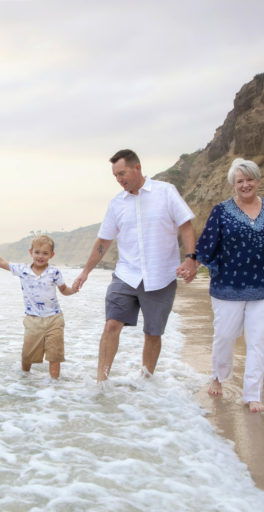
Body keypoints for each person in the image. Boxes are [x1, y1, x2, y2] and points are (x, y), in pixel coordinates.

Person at [73, 149, 198, 382]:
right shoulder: (116, 204)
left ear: (137, 168)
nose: (119, 179)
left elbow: (186, 226)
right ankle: (101, 381)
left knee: (153, 333)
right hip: (126, 275)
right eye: (115, 176)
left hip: (161, 276)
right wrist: (86, 271)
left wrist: (191, 258)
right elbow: (103, 241)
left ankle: (145, 381)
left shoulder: (166, 192)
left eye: (121, 173)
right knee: (111, 325)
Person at [195, 158, 264, 413]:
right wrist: (190, 266)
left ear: (258, 180)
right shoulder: (221, 211)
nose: (245, 185)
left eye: (249, 179)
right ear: (233, 185)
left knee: (259, 341)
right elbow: (204, 247)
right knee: (225, 336)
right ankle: (218, 376)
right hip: (228, 287)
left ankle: (252, 395)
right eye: (240, 181)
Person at [0, 235, 76, 379]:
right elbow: (1, 262)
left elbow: (64, 290)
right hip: (33, 319)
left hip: (54, 319)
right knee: (27, 355)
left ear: (51, 255)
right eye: (37, 252)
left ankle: (54, 388)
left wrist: (73, 289)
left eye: (45, 253)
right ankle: (24, 381)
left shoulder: (54, 272)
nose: (40, 256)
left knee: (55, 356)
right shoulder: (22, 270)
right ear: (31, 252)